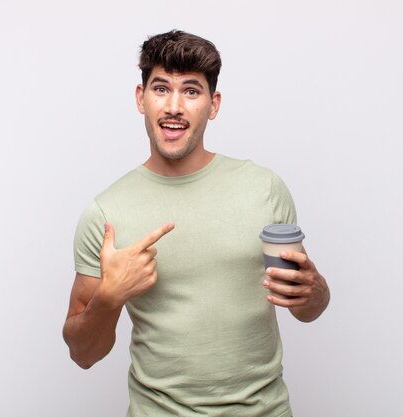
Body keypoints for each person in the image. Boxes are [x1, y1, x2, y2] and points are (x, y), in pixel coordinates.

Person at [62, 30, 330, 417]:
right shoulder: (106, 215)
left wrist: (316, 290)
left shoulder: (264, 188)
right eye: (160, 88)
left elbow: (308, 308)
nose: (174, 106)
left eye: (191, 90)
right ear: (141, 99)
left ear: (213, 104)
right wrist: (109, 297)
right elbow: (82, 354)